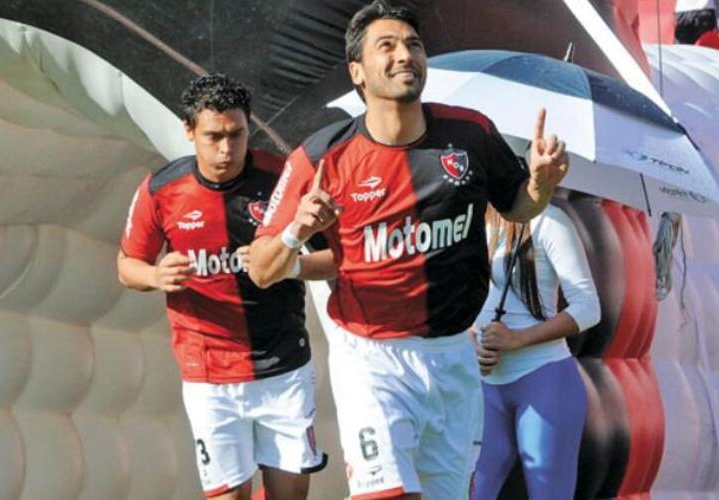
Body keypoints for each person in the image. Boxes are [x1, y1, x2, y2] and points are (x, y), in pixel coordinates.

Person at [249, 1, 569, 498]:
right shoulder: (322, 154)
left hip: (453, 356)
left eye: (414, 45)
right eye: (388, 45)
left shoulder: (471, 134)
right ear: (357, 70)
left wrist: (542, 184)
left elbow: (519, 207)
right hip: (371, 359)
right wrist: (294, 229)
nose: (405, 55)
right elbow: (261, 268)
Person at [117, 74, 330, 500]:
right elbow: (127, 267)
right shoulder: (160, 190)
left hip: (283, 367)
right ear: (188, 130)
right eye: (214, 136)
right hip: (209, 374)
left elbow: (338, 261)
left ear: (249, 127)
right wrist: (156, 276)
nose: (227, 149)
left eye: (237, 134)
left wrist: (287, 266)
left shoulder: (281, 178)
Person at [473, 204, 600, 499]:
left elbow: (588, 308)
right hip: (484, 385)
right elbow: (460, 301)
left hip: (545, 380)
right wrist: (473, 346)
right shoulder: (469, 222)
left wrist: (518, 339)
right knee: (472, 491)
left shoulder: (550, 222)